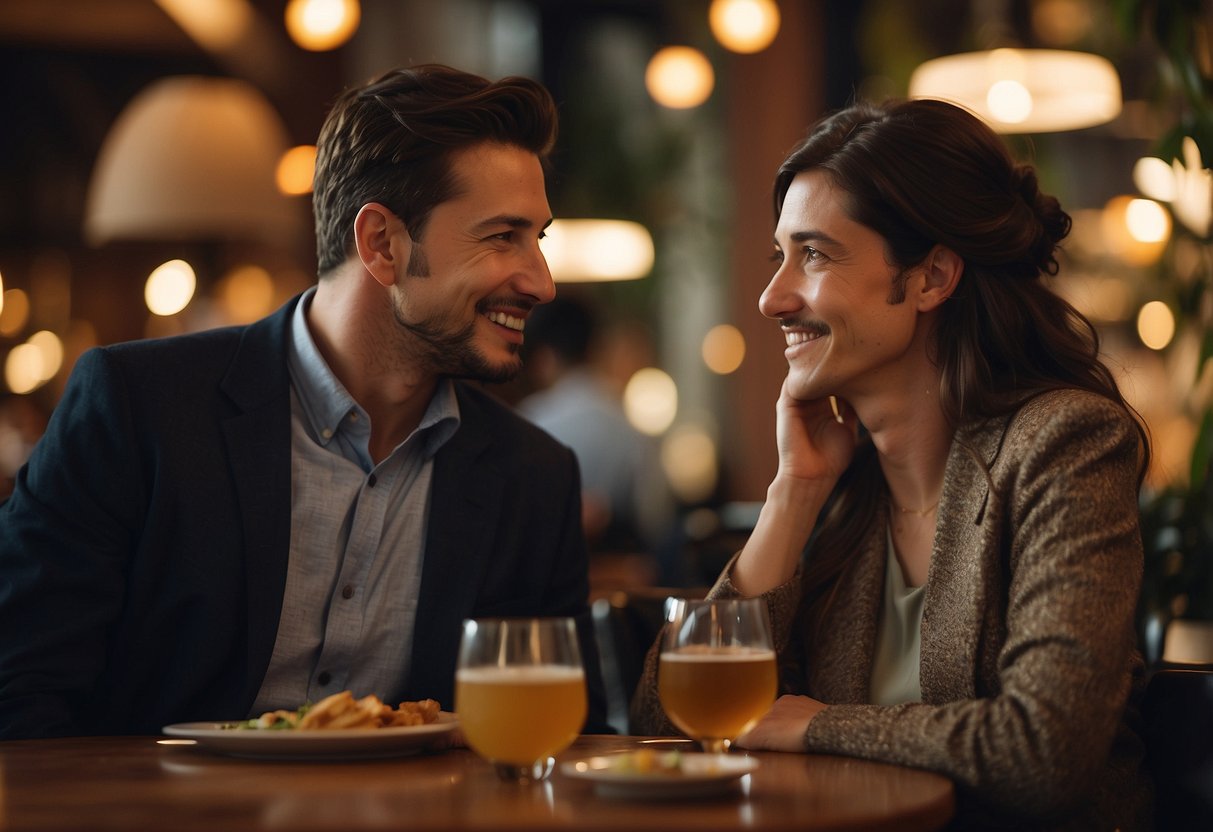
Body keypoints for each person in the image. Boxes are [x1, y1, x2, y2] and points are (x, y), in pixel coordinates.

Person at [0, 64, 609, 739]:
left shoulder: (533, 478)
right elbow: (19, 685)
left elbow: (559, 741)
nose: (542, 282)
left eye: (538, 239)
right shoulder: (138, 408)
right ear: (381, 242)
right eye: (503, 237)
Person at [631, 98, 1152, 829]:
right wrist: (794, 493)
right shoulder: (846, 490)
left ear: (931, 277)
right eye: (778, 256)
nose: (771, 297)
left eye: (812, 255)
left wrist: (813, 725)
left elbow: (1042, 751)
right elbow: (667, 722)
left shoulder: (1065, 444)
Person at [517, 295, 681, 583]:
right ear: (595, 348)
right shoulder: (630, 425)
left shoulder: (529, 421)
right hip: (621, 586)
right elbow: (657, 519)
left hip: (544, 585)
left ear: (544, 357)